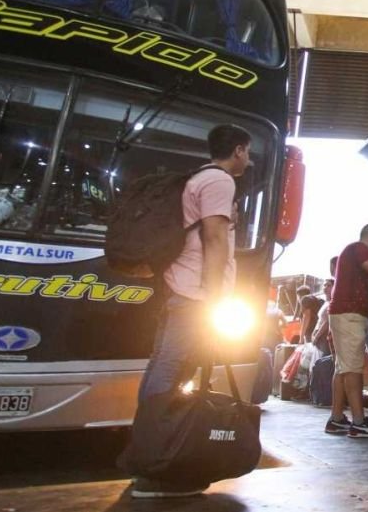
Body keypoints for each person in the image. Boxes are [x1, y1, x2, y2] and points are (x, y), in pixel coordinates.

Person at [130, 124, 252, 499]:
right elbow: (215, 237)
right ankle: (158, 465)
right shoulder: (219, 181)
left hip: (180, 287)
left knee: (164, 365)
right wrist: (216, 296)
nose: (247, 158)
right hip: (197, 293)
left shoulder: (197, 178)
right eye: (246, 151)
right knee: (171, 367)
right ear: (237, 150)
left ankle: (150, 452)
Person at [325, 224, 368, 439]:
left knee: (343, 367)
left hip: (343, 314)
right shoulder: (358, 249)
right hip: (350, 314)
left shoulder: (349, 252)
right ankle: (359, 422)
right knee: (353, 368)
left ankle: (336, 418)